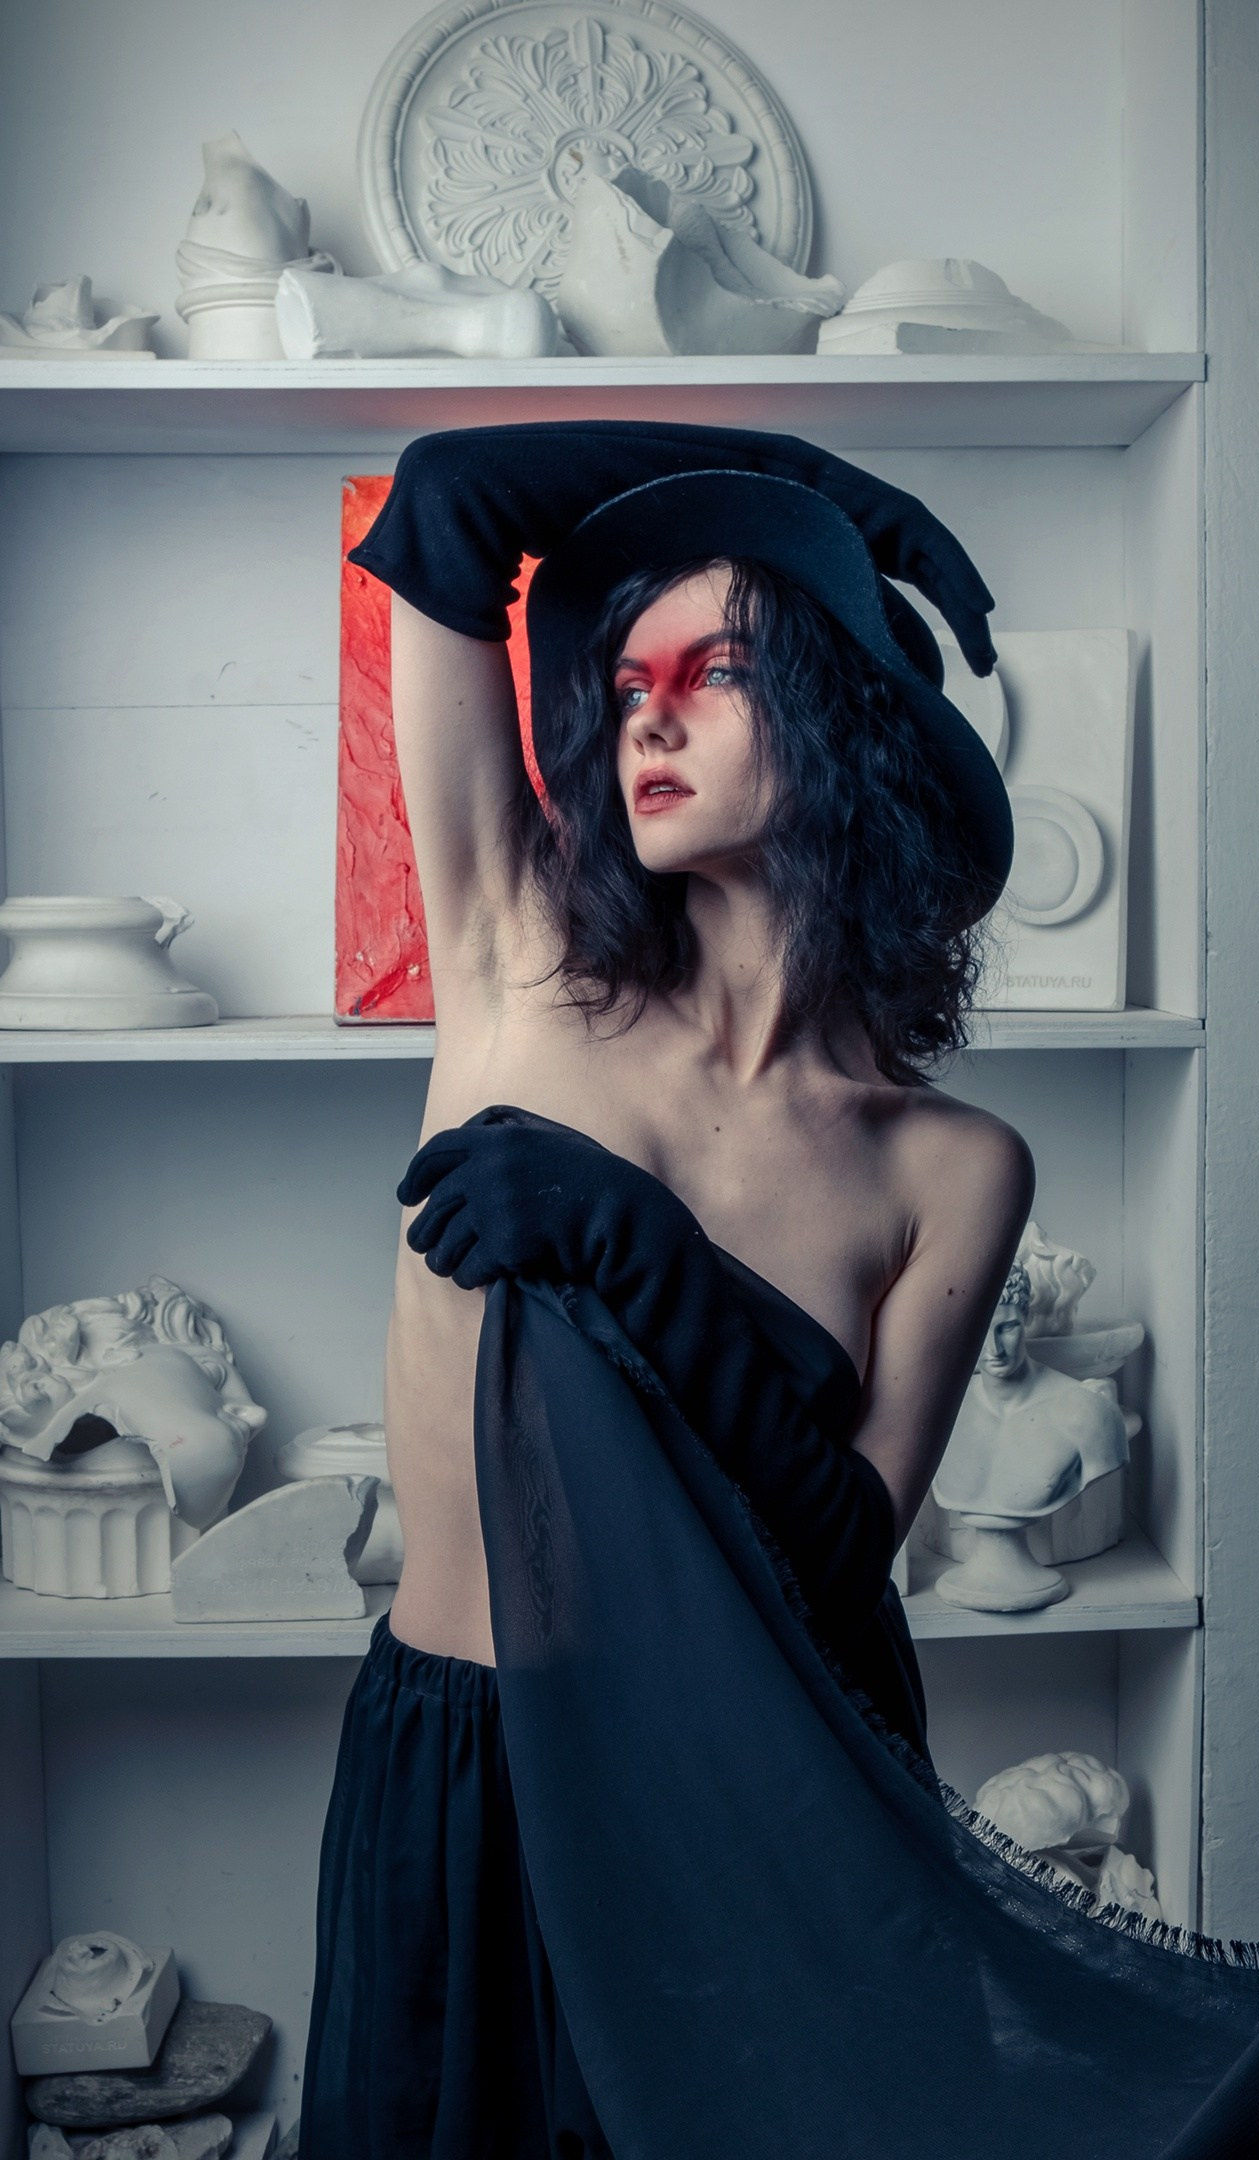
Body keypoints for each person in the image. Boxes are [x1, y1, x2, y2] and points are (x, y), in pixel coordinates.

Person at [298, 423, 1037, 2157]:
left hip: (758, 1794)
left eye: (715, 672)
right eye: (630, 683)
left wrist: (635, 1243)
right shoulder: (520, 961)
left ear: (848, 721)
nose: (646, 716)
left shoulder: (954, 1166)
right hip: (472, 1769)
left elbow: (841, 1552)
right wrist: (806, 484)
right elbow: (448, 498)